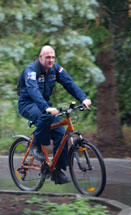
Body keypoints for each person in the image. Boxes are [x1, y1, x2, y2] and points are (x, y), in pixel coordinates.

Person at [18, 45, 91, 184]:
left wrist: (83, 98)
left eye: (52, 57)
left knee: (61, 133)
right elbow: (33, 91)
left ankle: (57, 171)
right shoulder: (31, 70)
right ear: (40, 57)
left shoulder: (55, 69)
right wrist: (46, 108)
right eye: (47, 57)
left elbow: (69, 83)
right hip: (27, 104)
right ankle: (36, 145)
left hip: (43, 105)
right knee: (45, 115)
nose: (51, 60)